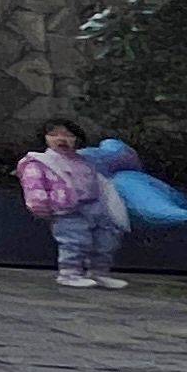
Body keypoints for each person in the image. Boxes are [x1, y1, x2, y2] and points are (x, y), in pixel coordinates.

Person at [20, 118, 130, 291]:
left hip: (96, 208)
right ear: (44, 138)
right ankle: (69, 274)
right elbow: (34, 187)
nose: (61, 139)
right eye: (53, 135)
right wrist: (40, 207)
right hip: (67, 210)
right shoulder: (39, 162)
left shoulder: (84, 161)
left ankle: (98, 273)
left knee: (105, 242)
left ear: (77, 139)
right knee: (74, 242)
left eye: (68, 135)